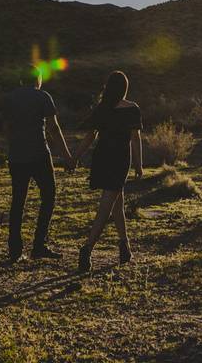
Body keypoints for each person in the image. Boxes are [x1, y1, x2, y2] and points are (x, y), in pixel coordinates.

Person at [1, 65, 74, 262]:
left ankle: (15, 250)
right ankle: (38, 245)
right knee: (48, 197)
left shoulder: (9, 98)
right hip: (39, 154)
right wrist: (67, 156)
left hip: (16, 157)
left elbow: (6, 129)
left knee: (18, 201)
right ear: (37, 79)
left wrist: (15, 145)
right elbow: (54, 128)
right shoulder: (43, 97)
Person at [73, 70, 143, 272]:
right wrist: (139, 164)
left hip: (102, 158)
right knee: (106, 207)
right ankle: (87, 248)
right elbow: (136, 139)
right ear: (125, 88)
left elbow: (89, 137)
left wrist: (74, 157)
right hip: (119, 159)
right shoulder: (132, 109)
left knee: (116, 203)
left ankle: (125, 247)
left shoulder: (102, 108)